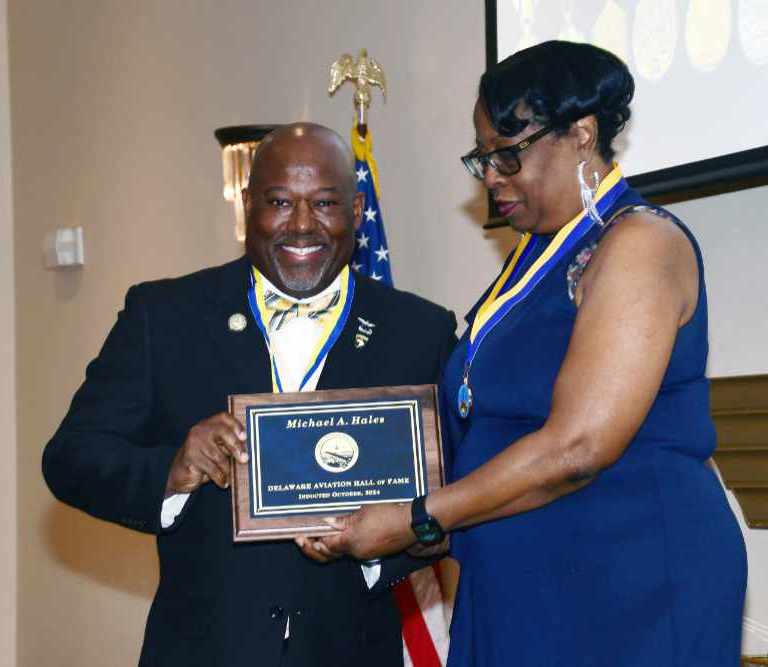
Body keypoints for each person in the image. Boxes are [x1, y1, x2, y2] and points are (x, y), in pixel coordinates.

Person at [310, 41, 748, 666]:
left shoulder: (640, 242)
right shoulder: (537, 255)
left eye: (508, 154)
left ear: (581, 134)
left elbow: (578, 447)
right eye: (482, 158)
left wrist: (417, 518)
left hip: (630, 577)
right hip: (526, 580)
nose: (491, 176)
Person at [42, 123, 457, 667]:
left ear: (357, 211)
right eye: (280, 202)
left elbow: (456, 494)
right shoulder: (165, 317)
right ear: (247, 205)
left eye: (325, 203)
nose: (303, 225)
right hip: (200, 650)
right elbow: (71, 457)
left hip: (351, 650)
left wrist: (395, 541)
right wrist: (174, 470)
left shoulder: (419, 331)